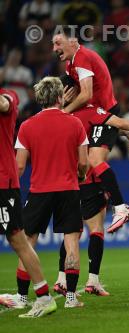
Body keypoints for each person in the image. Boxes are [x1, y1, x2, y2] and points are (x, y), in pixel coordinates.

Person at [53, 74, 129, 296]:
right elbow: (114, 121)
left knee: (70, 233)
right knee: (95, 230)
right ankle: (92, 280)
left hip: (65, 181)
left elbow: (106, 127)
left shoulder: (57, 116)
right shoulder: (89, 110)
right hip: (90, 180)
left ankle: (61, 279)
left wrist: (126, 134)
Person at [14, 76, 89, 308]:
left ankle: (23, 297)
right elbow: (84, 162)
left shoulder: (27, 126)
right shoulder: (75, 123)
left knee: (27, 242)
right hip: (68, 189)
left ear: (39, 98)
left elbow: (19, 166)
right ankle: (70, 298)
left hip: (39, 190)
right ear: (59, 97)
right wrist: (80, 175)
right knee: (71, 241)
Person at [52, 25, 129, 233]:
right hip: (100, 116)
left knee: (94, 161)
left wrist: (63, 113)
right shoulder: (70, 65)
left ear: (72, 42)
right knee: (89, 163)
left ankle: (120, 207)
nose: (54, 48)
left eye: (58, 43)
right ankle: (112, 202)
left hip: (102, 113)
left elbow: (86, 94)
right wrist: (122, 130)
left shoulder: (82, 58)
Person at [0, 88, 57, 318]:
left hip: (3, 182)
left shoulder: (9, 95)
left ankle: (44, 298)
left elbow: (4, 105)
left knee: (18, 240)